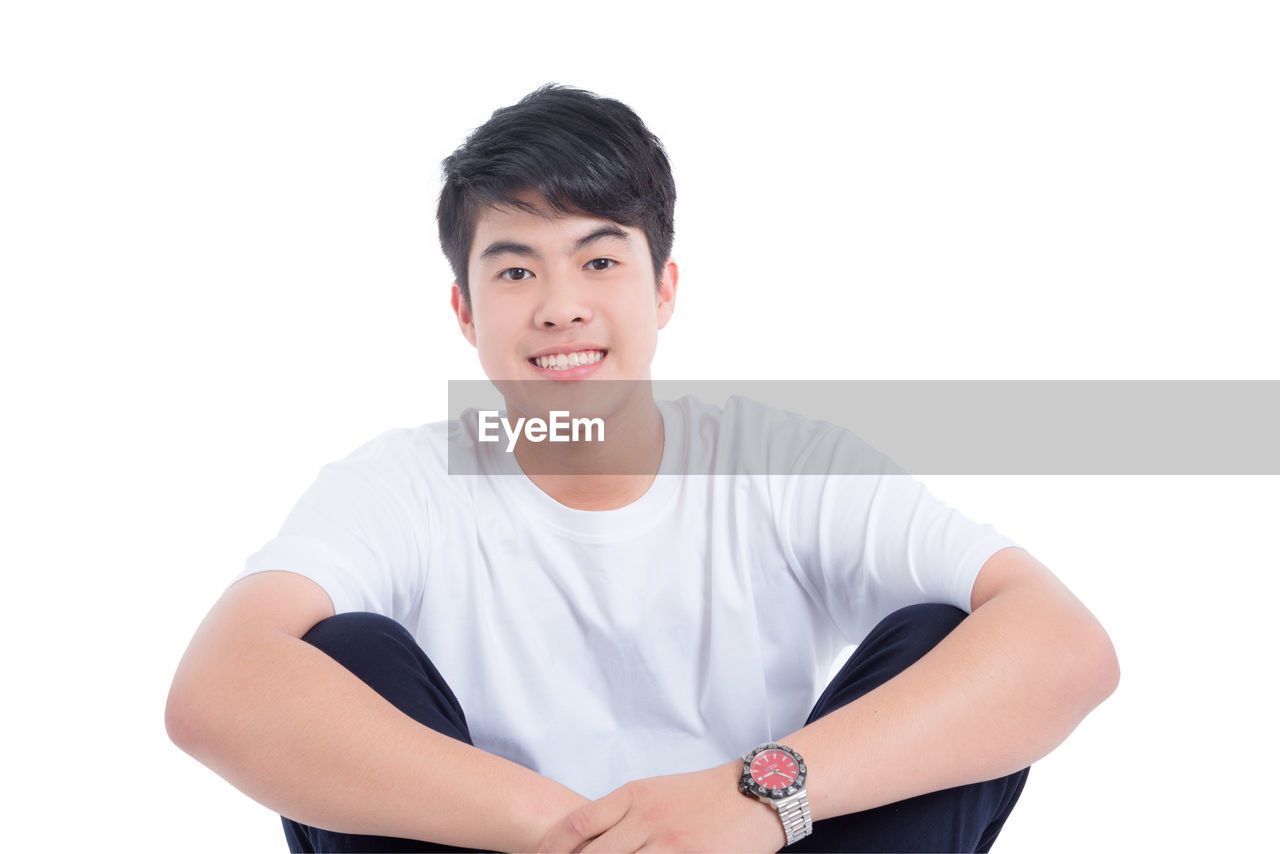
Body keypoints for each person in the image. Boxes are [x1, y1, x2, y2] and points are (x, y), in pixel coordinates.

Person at [166, 84, 1119, 853]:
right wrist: (587, 836)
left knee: (949, 638)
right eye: (515, 271)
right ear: (465, 311)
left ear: (663, 288)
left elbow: (1064, 646)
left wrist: (751, 798)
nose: (560, 306)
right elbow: (219, 689)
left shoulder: (781, 464)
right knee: (344, 656)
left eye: (599, 261)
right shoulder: (402, 484)